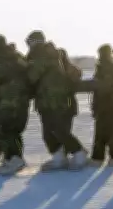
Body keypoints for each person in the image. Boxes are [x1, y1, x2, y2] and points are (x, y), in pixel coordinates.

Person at [25, 30, 87, 171]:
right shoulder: (55, 54)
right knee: (49, 132)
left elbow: (32, 76)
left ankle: (79, 153)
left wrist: (26, 66)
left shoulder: (43, 55)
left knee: (58, 131)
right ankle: (59, 157)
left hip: (56, 101)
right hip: (50, 101)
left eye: (29, 42)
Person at [0, 34, 33, 176]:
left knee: (2, 129)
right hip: (22, 100)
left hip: (8, 101)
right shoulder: (17, 56)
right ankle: (12, 158)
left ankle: (15, 159)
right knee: (14, 131)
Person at [90, 44, 113, 166]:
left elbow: (106, 87)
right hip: (104, 104)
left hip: (109, 104)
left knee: (109, 131)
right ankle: (102, 157)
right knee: (103, 131)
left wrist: (97, 85)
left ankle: (111, 156)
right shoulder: (103, 68)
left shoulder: (108, 68)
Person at [58, 47, 82, 132]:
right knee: (64, 130)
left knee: (63, 131)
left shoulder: (63, 69)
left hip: (65, 103)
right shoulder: (70, 68)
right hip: (66, 103)